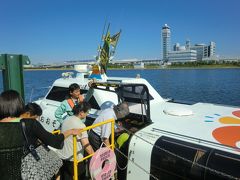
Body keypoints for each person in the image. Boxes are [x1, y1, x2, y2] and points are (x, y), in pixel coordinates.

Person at [0, 90, 83, 180]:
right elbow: (54, 141)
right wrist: (69, 132)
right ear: (19, 105)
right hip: (25, 174)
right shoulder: (30, 124)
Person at [57, 101, 94, 180]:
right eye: (87, 112)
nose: (87, 114)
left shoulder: (66, 119)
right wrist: (95, 156)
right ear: (81, 112)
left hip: (63, 156)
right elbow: (86, 145)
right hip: (74, 158)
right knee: (81, 176)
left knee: (66, 176)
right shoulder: (81, 125)